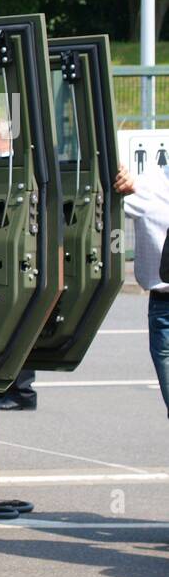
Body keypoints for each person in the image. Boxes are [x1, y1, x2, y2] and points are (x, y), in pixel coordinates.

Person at [117, 161, 169, 418]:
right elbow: (112, 190)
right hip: (164, 307)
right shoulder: (148, 184)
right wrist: (120, 179)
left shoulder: (148, 184)